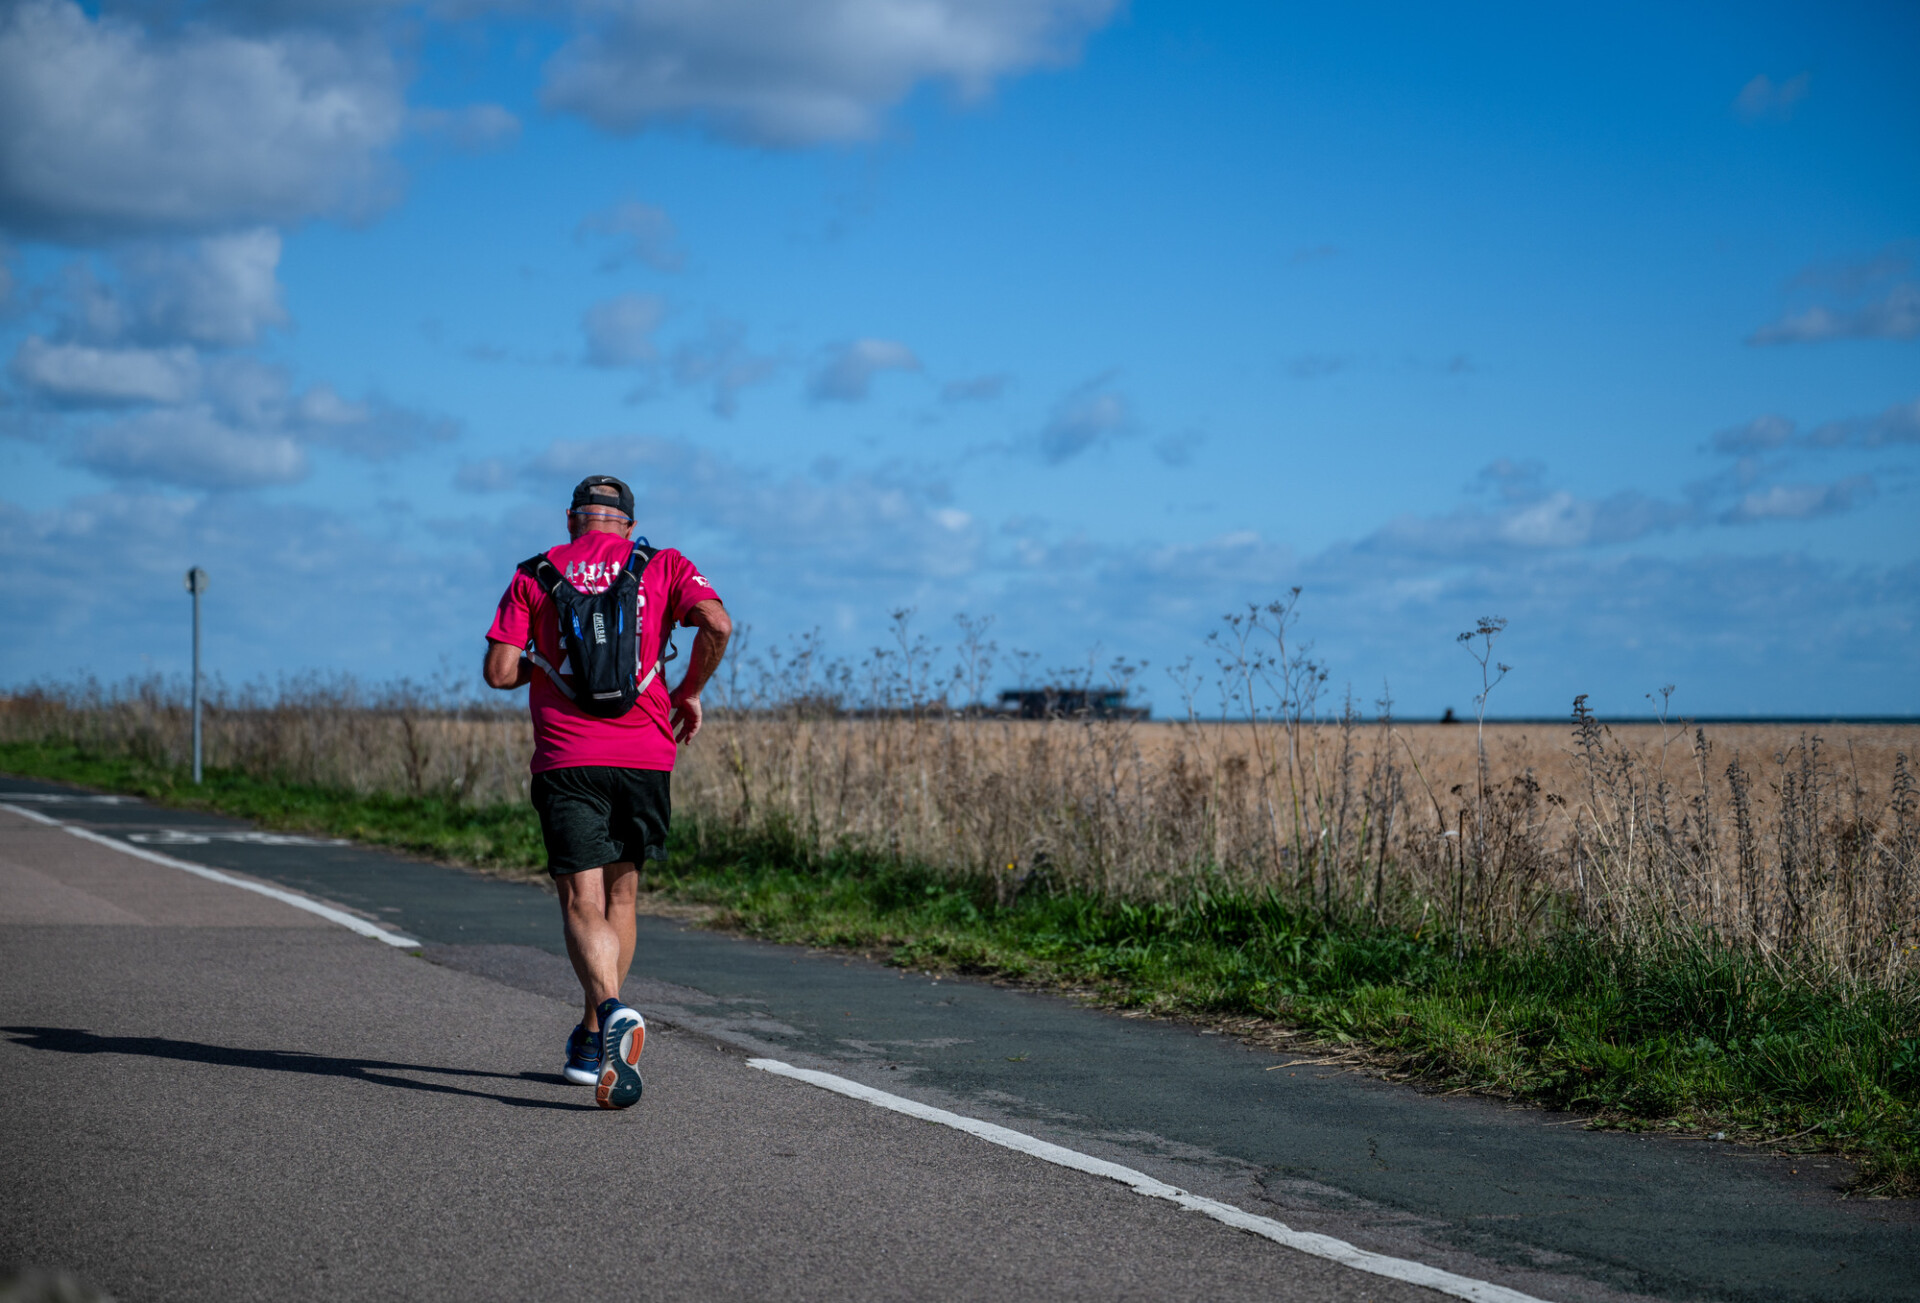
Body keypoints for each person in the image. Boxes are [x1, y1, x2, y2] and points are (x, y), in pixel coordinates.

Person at [482, 474, 731, 1109]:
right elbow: (718, 625)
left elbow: (498, 671)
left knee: (579, 901)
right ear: (626, 523)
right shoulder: (664, 564)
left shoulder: (536, 573)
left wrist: (545, 663)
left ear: (572, 521)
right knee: (623, 895)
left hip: (567, 758)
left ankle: (611, 1011)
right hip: (647, 755)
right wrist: (690, 690)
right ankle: (593, 1040)